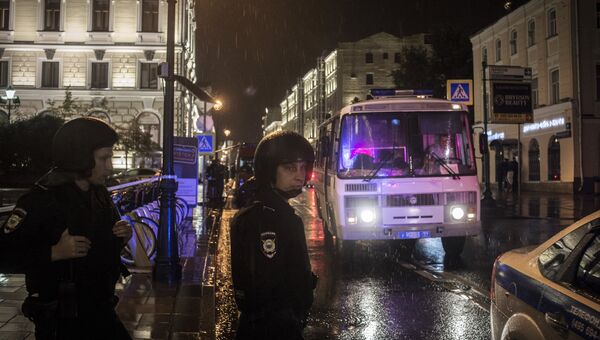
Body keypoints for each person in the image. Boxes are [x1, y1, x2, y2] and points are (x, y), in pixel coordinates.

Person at [0, 117, 133, 340]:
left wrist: (121, 236)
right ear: (80, 158)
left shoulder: (98, 194)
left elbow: (100, 244)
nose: (110, 167)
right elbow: (5, 254)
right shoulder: (41, 199)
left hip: (100, 310)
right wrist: (54, 252)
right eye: (104, 158)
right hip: (62, 321)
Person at [230, 130, 318, 340]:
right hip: (272, 328)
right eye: (290, 168)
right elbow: (265, 288)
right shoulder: (266, 219)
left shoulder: (274, 212)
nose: (299, 175)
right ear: (269, 170)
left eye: (302, 167)